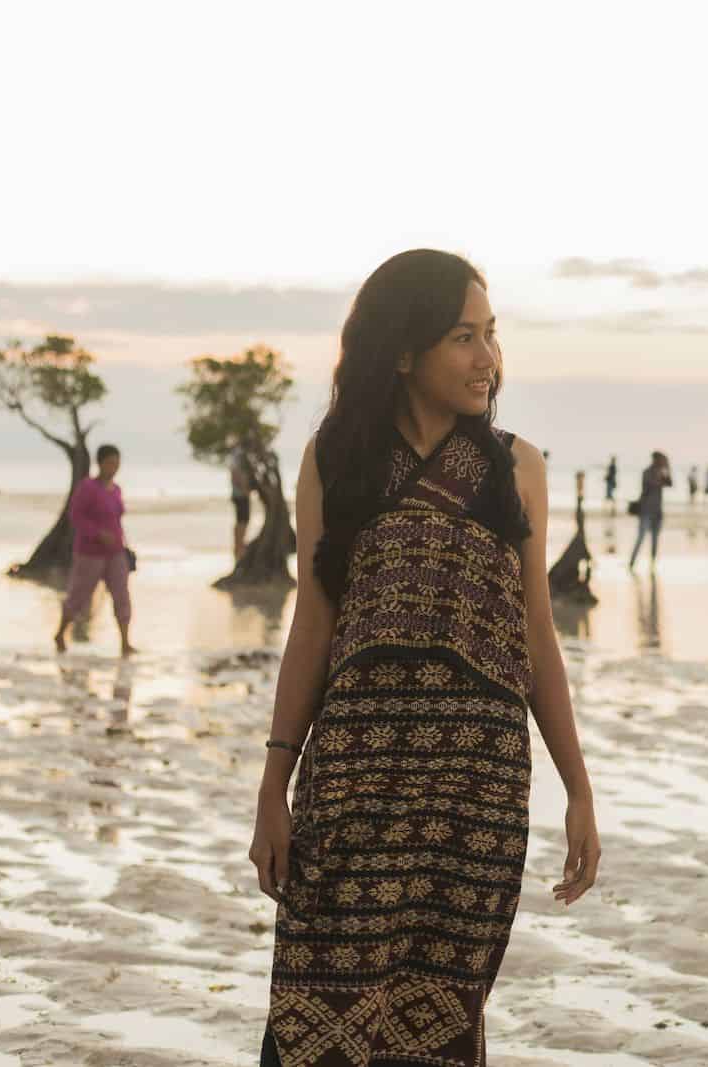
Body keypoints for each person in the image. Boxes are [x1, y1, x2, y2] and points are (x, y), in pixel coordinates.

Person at [248, 250, 600, 1067]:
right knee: (313, 1027)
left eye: (492, 335)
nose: (488, 359)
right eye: (463, 337)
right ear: (404, 351)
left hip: (473, 803)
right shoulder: (336, 461)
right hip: (353, 788)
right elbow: (314, 623)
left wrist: (577, 787)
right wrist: (273, 781)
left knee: (435, 1036)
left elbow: (536, 635)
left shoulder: (516, 470)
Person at [54, 444, 134, 656]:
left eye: (117, 463)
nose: (114, 467)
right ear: (100, 463)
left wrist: (124, 544)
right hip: (89, 552)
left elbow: (117, 520)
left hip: (116, 552)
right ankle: (60, 633)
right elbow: (76, 516)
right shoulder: (87, 488)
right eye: (110, 463)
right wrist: (97, 533)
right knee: (78, 595)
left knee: (122, 595)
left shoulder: (116, 490)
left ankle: (125, 643)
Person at [628, 451, 671, 570]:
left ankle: (652, 565)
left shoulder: (662, 473)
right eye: (661, 459)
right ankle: (632, 562)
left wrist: (667, 470)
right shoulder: (647, 472)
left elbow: (669, 483)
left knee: (655, 540)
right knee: (641, 537)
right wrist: (661, 474)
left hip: (657, 511)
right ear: (655, 459)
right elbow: (652, 485)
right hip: (646, 511)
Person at [230, 442, 254, 560]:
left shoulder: (240, 453)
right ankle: (238, 548)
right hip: (240, 494)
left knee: (243, 520)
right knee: (242, 521)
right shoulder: (238, 454)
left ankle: (239, 547)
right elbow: (235, 473)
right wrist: (244, 488)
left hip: (240, 494)